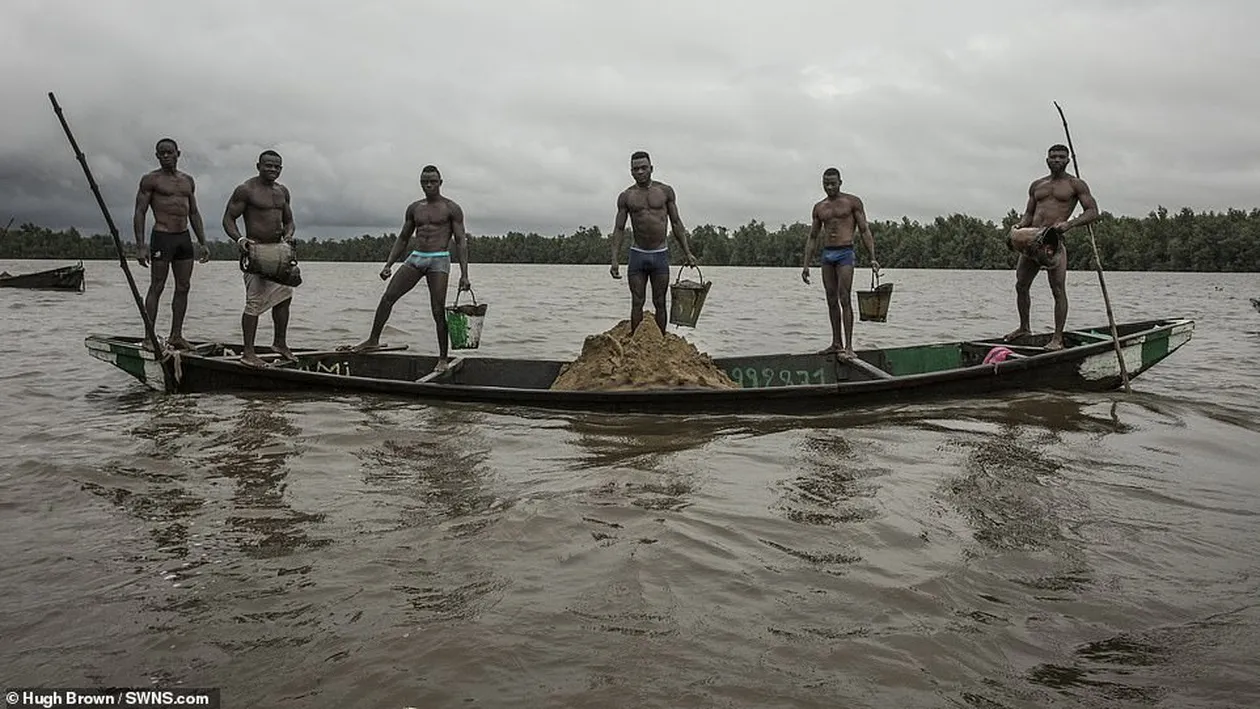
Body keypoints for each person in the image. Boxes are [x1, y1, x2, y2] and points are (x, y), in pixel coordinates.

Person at [347, 165, 471, 373]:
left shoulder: (451, 208)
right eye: (425, 182)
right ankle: (373, 340)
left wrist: (465, 275)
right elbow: (403, 238)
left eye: (432, 181)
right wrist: (388, 264)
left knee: (437, 309)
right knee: (388, 297)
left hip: (439, 259)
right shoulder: (415, 208)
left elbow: (461, 241)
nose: (429, 185)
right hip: (417, 258)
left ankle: (442, 358)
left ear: (440, 182)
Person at [1004, 143, 1100, 350]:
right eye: (1053, 157)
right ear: (1047, 160)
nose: (1056, 160)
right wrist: (1020, 225)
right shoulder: (1037, 185)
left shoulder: (1076, 185)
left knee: (1057, 290)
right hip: (1032, 240)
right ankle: (1024, 328)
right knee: (1021, 285)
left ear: (1068, 160)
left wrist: (1070, 224)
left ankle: (1057, 338)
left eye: (1061, 157)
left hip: (1053, 242)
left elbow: (1092, 211)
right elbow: (1029, 213)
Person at [132, 138, 209, 350]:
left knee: (183, 287)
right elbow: (140, 212)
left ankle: (176, 335)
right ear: (157, 156)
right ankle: (149, 337)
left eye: (169, 152)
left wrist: (202, 241)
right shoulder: (151, 180)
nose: (166, 156)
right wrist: (140, 245)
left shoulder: (187, 181)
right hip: (162, 237)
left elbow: (193, 212)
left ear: (178, 154)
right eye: (161, 153)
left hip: (183, 238)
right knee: (157, 286)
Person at [222, 149, 297, 367]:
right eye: (268, 165)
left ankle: (280, 343)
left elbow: (289, 221)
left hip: (278, 252)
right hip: (255, 252)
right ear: (258, 166)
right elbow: (228, 218)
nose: (272, 169)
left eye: (277, 166)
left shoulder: (282, 191)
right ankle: (248, 353)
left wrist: (288, 236)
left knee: (284, 296)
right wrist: (240, 240)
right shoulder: (246, 190)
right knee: (254, 302)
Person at [609, 151, 697, 334]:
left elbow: (676, 223)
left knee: (660, 301)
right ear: (631, 172)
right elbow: (618, 228)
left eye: (644, 168)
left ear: (651, 169)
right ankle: (636, 344)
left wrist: (687, 253)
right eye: (636, 169)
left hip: (660, 255)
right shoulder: (626, 196)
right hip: (637, 255)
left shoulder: (665, 191)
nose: (640, 172)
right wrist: (614, 259)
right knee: (637, 302)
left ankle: (660, 343)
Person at [800, 167, 879, 358]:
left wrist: (873, 258)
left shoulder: (852, 202)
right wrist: (806, 265)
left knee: (845, 297)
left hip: (845, 253)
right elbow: (813, 237)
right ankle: (836, 343)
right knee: (831, 299)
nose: (829, 187)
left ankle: (849, 347)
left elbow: (864, 230)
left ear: (840, 182)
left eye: (833, 183)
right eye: (825, 183)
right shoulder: (820, 207)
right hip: (827, 255)